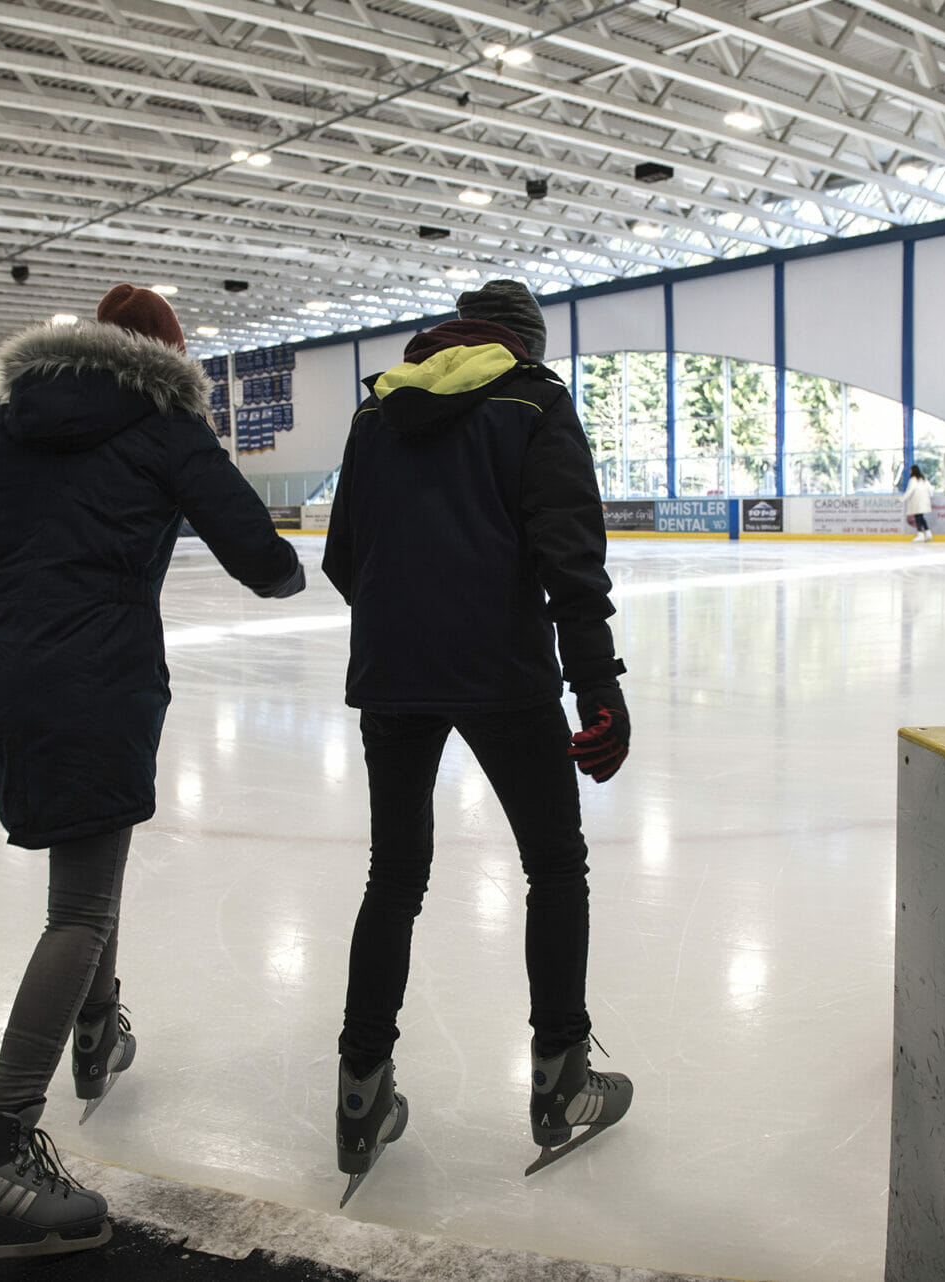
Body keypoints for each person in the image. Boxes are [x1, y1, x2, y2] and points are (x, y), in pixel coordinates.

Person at [0, 283, 305, 1261]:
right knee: (80, 908)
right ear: (168, 357)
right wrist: (280, 559)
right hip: (106, 683)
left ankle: (96, 1028)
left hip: (12, 686)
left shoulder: (9, 429)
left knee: (94, 867)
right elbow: (261, 559)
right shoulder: (166, 424)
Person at [321, 279, 633, 1203]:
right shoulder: (535, 401)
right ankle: (561, 1083)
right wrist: (598, 687)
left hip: (394, 673)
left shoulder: (378, 410)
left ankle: (359, 1093)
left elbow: (344, 552)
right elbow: (569, 555)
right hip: (503, 671)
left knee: (394, 874)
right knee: (554, 866)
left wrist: (405, 626)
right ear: (524, 344)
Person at [902, 464, 934, 542]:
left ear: (913, 471)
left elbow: (910, 490)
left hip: (917, 501)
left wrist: (901, 499)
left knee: (918, 517)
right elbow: (930, 489)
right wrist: (930, 496)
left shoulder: (913, 479)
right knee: (921, 517)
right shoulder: (924, 479)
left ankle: (920, 534)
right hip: (924, 501)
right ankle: (927, 532)